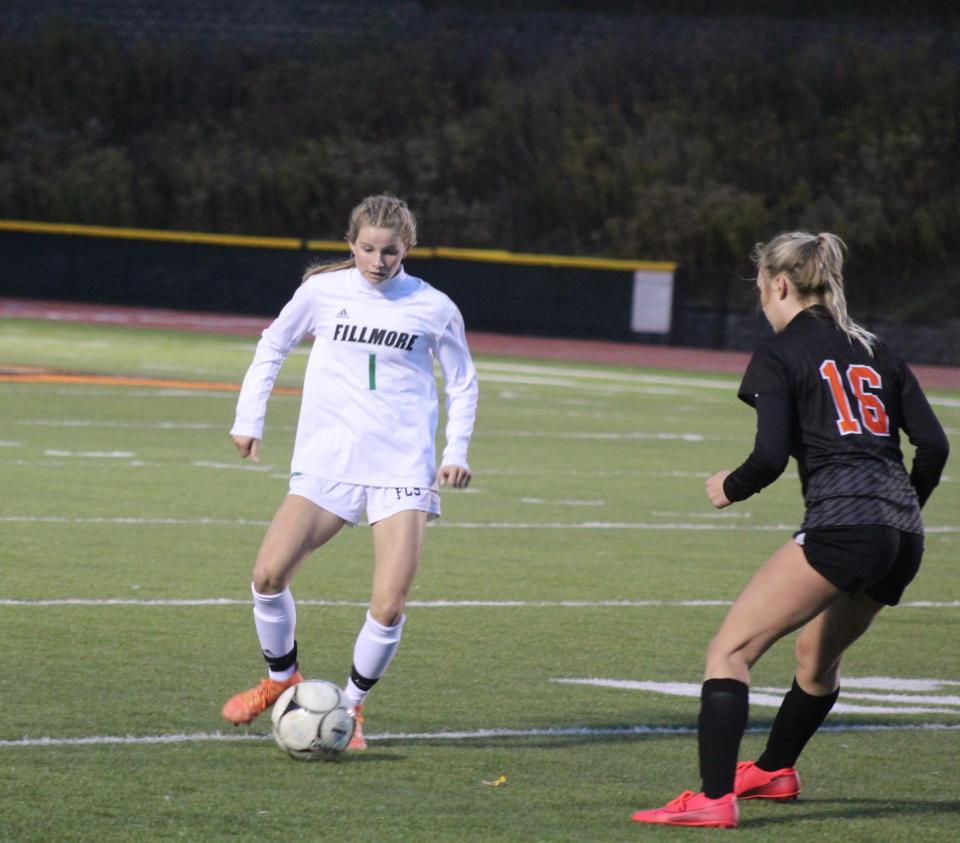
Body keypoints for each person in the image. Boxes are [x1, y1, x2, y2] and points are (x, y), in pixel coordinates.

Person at [631, 232, 949, 828]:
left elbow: (771, 456)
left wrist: (733, 485)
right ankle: (775, 770)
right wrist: (903, 506)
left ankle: (713, 798)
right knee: (815, 658)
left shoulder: (780, 352)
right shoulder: (877, 347)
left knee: (731, 650)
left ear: (779, 283)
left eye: (760, 287)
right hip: (903, 535)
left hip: (846, 526)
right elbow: (933, 445)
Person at [221, 194, 479, 750]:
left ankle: (352, 708)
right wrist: (250, 418)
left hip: (402, 466)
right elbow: (272, 345)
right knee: (267, 577)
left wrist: (454, 452)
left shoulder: (433, 306)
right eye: (366, 249)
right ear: (351, 245)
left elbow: (462, 381)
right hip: (328, 460)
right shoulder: (322, 292)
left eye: (389, 251)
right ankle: (282, 680)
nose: (377, 262)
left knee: (388, 604)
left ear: (405, 248)